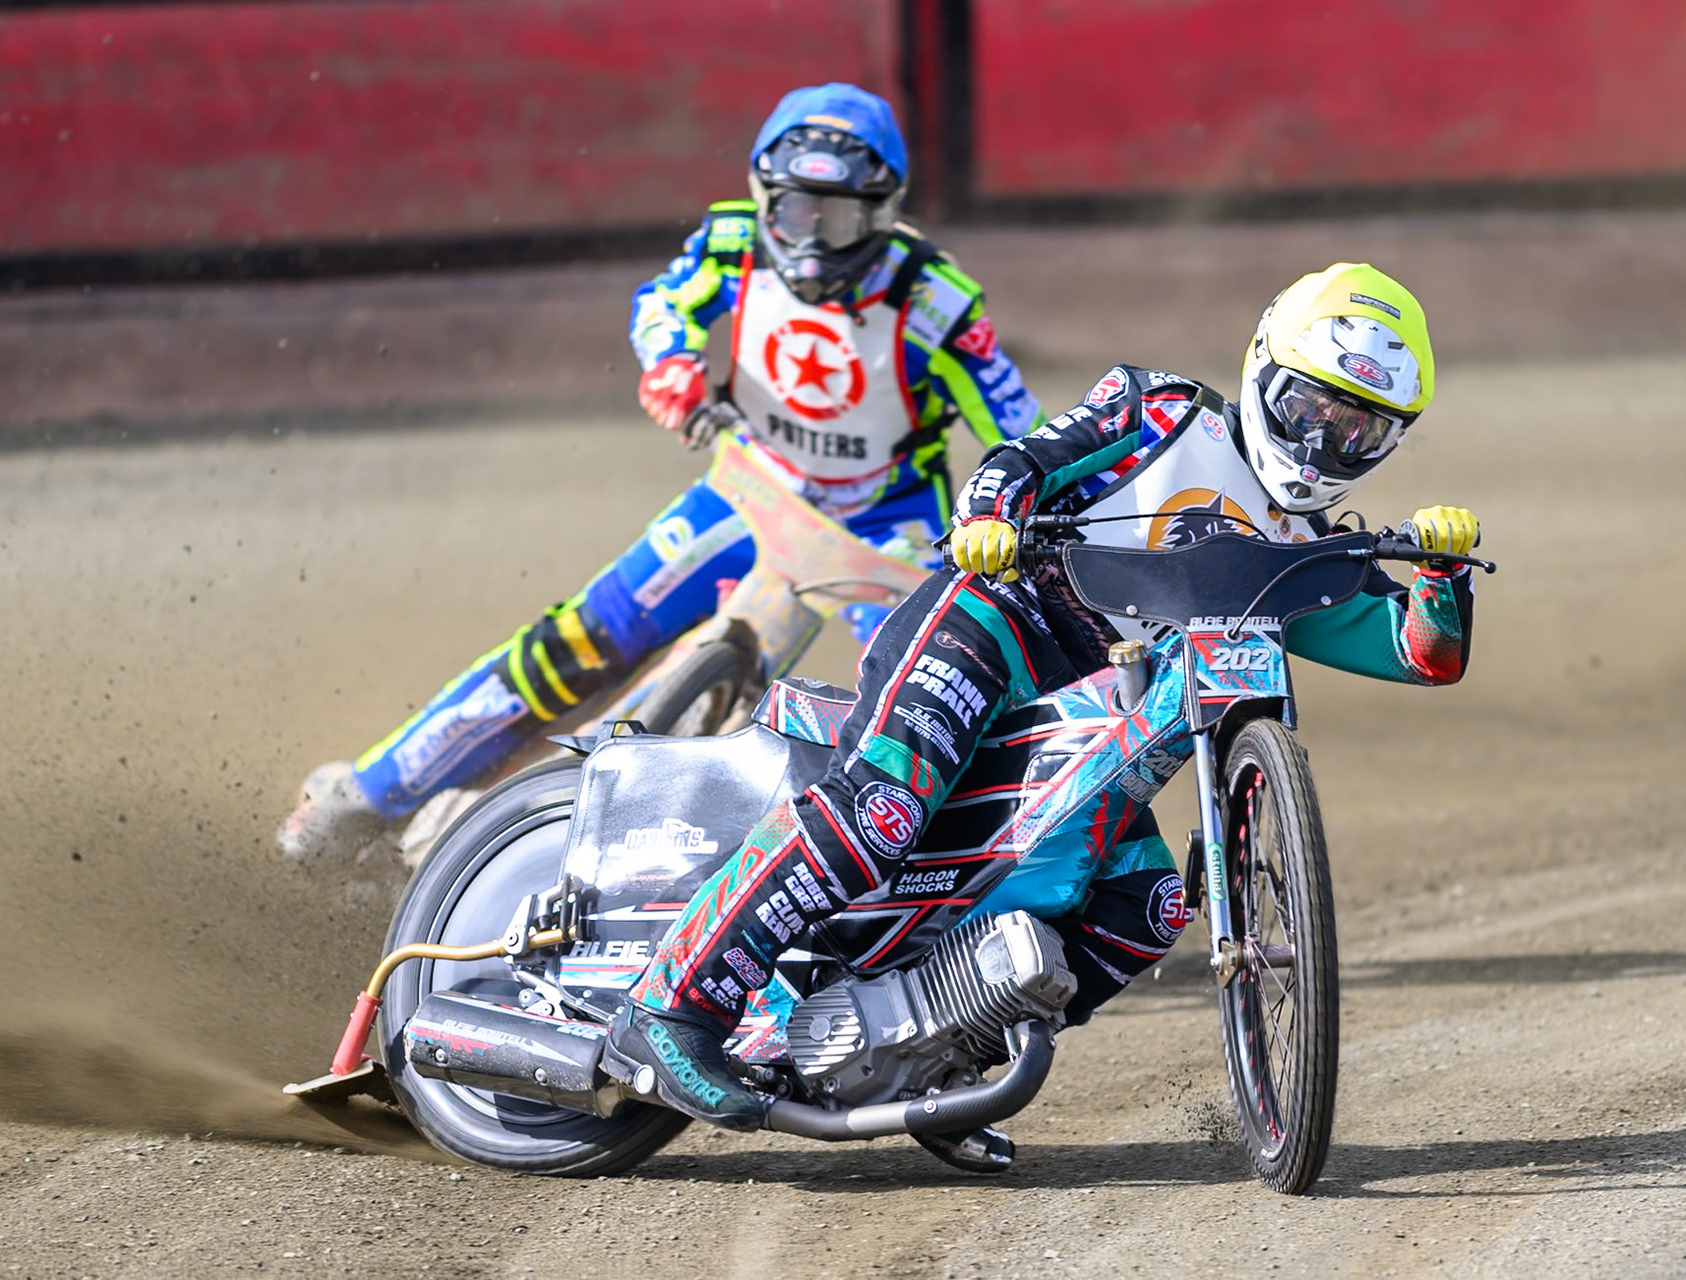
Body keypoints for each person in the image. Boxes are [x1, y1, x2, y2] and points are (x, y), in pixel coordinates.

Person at [599, 262, 1482, 1167]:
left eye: (1358, 427)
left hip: (1094, 706)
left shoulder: (1313, 551)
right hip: (994, 617)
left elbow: (1421, 654)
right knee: (882, 809)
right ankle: (673, 1005)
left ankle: (932, 1067)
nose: (1325, 439)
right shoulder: (1160, 410)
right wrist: (992, 517)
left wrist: (1444, 573)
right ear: (1262, 371)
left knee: (1145, 906)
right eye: (1310, 408)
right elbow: (1021, 462)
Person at [278, 83, 1043, 861]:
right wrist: (673, 368)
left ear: (880, 211)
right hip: (753, 486)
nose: (810, 240)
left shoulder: (935, 301)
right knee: (577, 640)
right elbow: (662, 305)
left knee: (926, 711)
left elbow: (1018, 425)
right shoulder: (732, 243)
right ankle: (368, 794)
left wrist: (1012, 505)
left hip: (890, 529)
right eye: (793, 211)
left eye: (836, 215)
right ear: (762, 197)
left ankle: (937, 883)